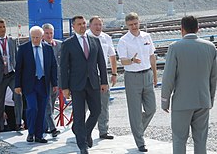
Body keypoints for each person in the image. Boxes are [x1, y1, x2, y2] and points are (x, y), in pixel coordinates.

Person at [161, 16, 217, 154]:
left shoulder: (175, 47)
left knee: (179, 139)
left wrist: (165, 101)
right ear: (198, 29)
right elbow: (213, 77)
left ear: (182, 29)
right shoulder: (210, 48)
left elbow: (168, 77)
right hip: (203, 100)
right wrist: (210, 99)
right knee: (201, 140)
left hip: (182, 102)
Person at [60, 15, 108, 154]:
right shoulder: (68, 43)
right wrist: (65, 87)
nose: (82, 26)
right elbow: (63, 67)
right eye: (79, 24)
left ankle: (85, 133)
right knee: (79, 115)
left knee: (97, 111)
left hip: (93, 83)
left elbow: (101, 63)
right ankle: (82, 145)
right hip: (76, 85)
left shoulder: (94, 41)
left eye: (84, 23)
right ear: (73, 26)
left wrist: (104, 81)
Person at [117, 12, 157, 152]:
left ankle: (138, 130)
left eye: (135, 23)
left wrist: (155, 75)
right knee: (135, 111)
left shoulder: (147, 36)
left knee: (151, 108)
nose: (134, 26)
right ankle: (140, 141)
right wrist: (132, 60)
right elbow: (122, 61)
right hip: (132, 77)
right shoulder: (123, 40)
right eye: (130, 25)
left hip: (147, 75)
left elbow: (152, 56)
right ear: (127, 25)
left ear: (139, 22)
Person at [15, 26, 57, 143]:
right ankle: (31, 132)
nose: (35, 40)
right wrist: (17, 85)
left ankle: (39, 135)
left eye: (37, 37)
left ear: (42, 37)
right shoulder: (23, 49)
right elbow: (18, 68)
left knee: (42, 110)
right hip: (29, 84)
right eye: (33, 37)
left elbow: (53, 66)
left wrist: (55, 83)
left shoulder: (48, 49)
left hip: (43, 83)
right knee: (32, 108)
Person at [87, 16, 117, 140]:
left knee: (103, 104)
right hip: (87, 78)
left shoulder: (106, 38)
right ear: (90, 25)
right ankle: (82, 130)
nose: (98, 27)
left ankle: (103, 130)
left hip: (102, 77)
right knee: (84, 105)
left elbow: (112, 56)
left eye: (100, 24)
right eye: (95, 24)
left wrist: (114, 74)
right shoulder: (85, 38)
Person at [0, 18, 23, 132]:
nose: (3, 29)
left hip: (12, 74)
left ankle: (19, 123)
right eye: (0, 27)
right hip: (0, 76)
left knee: (18, 95)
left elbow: (17, 57)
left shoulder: (12, 40)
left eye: (4, 27)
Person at [42, 23, 61, 137]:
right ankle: (53, 128)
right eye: (46, 33)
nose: (49, 35)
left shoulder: (60, 45)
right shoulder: (39, 46)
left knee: (52, 104)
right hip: (44, 81)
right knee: (47, 104)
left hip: (57, 81)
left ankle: (47, 127)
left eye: (51, 33)